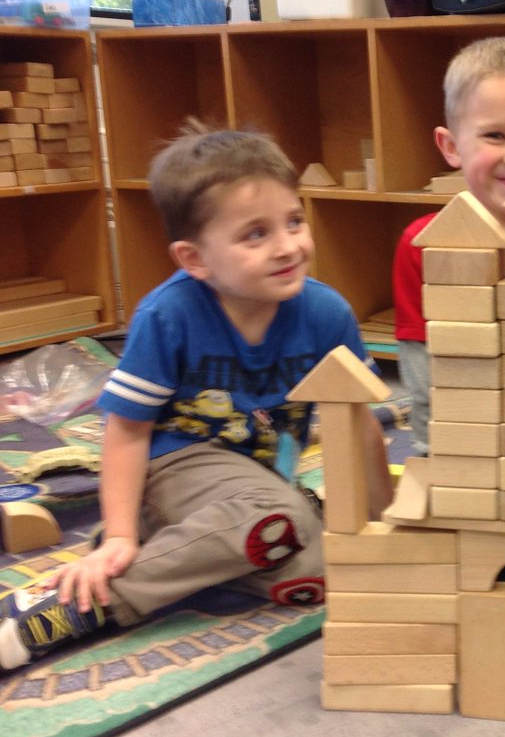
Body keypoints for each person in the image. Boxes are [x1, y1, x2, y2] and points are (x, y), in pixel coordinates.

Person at [0, 121, 392, 671]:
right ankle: (87, 602)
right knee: (281, 517)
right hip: (174, 463)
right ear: (195, 260)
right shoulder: (169, 315)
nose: (288, 246)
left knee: (321, 566)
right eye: (255, 234)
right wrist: (116, 534)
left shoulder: (328, 314)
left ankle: (168, 539)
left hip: (256, 479)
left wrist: (384, 521)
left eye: (294, 221)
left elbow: (359, 422)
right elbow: (128, 428)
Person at [392, 36, 505, 454]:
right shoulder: (423, 243)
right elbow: (420, 357)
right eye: (495, 135)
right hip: (461, 421)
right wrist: (449, 430)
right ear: (452, 146)